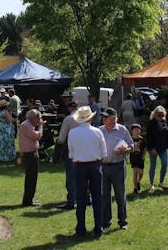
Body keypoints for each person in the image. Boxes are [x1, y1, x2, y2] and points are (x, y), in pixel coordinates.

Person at [67, 105, 106, 238]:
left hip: (80, 166)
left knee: (81, 198)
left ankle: (81, 228)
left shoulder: (73, 132)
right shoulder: (97, 132)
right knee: (97, 198)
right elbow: (103, 153)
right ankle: (98, 228)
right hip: (95, 165)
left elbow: (71, 154)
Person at [99, 108, 133, 231]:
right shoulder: (99, 131)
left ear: (114, 118)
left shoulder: (122, 130)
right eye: (103, 117)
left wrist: (126, 150)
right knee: (104, 195)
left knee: (120, 194)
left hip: (118, 166)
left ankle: (122, 221)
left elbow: (131, 145)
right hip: (103, 166)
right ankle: (106, 221)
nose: (104, 119)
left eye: (106, 117)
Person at [55, 100, 81, 210]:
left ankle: (71, 200)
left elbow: (61, 138)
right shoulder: (84, 118)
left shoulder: (68, 119)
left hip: (71, 149)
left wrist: (58, 142)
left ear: (70, 108)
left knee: (71, 175)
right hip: (84, 149)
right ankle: (85, 198)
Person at [18, 108, 45, 206]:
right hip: (29, 154)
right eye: (37, 119)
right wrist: (41, 126)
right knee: (31, 178)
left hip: (31, 153)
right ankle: (27, 201)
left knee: (32, 178)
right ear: (33, 118)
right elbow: (36, 136)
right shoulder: (27, 125)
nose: (38, 121)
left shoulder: (28, 125)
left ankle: (29, 199)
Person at [145, 105, 168, 190]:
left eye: (162, 115)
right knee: (153, 165)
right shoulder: (150, 123)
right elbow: (148, 137)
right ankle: (151, 184)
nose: (161, 117)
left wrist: (167, 145)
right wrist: (151, 148)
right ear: (155, 115)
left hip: (163, 148)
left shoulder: (165, 123)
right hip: (153, 148)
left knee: (165, 163)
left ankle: (161, 182)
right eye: (159, 115)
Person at [129, 124, 146, 194]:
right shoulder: (130, 139)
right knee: (135, 172)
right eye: (135, 129)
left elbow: (145, 148)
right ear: (132, 131)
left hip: (140, 157)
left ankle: (138, 181)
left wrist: (143, 156)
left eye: (138, 129)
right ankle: (135, 188)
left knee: (141, 173)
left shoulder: (142, 139)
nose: (137, 131)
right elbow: (128, 148)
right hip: (133, 157)